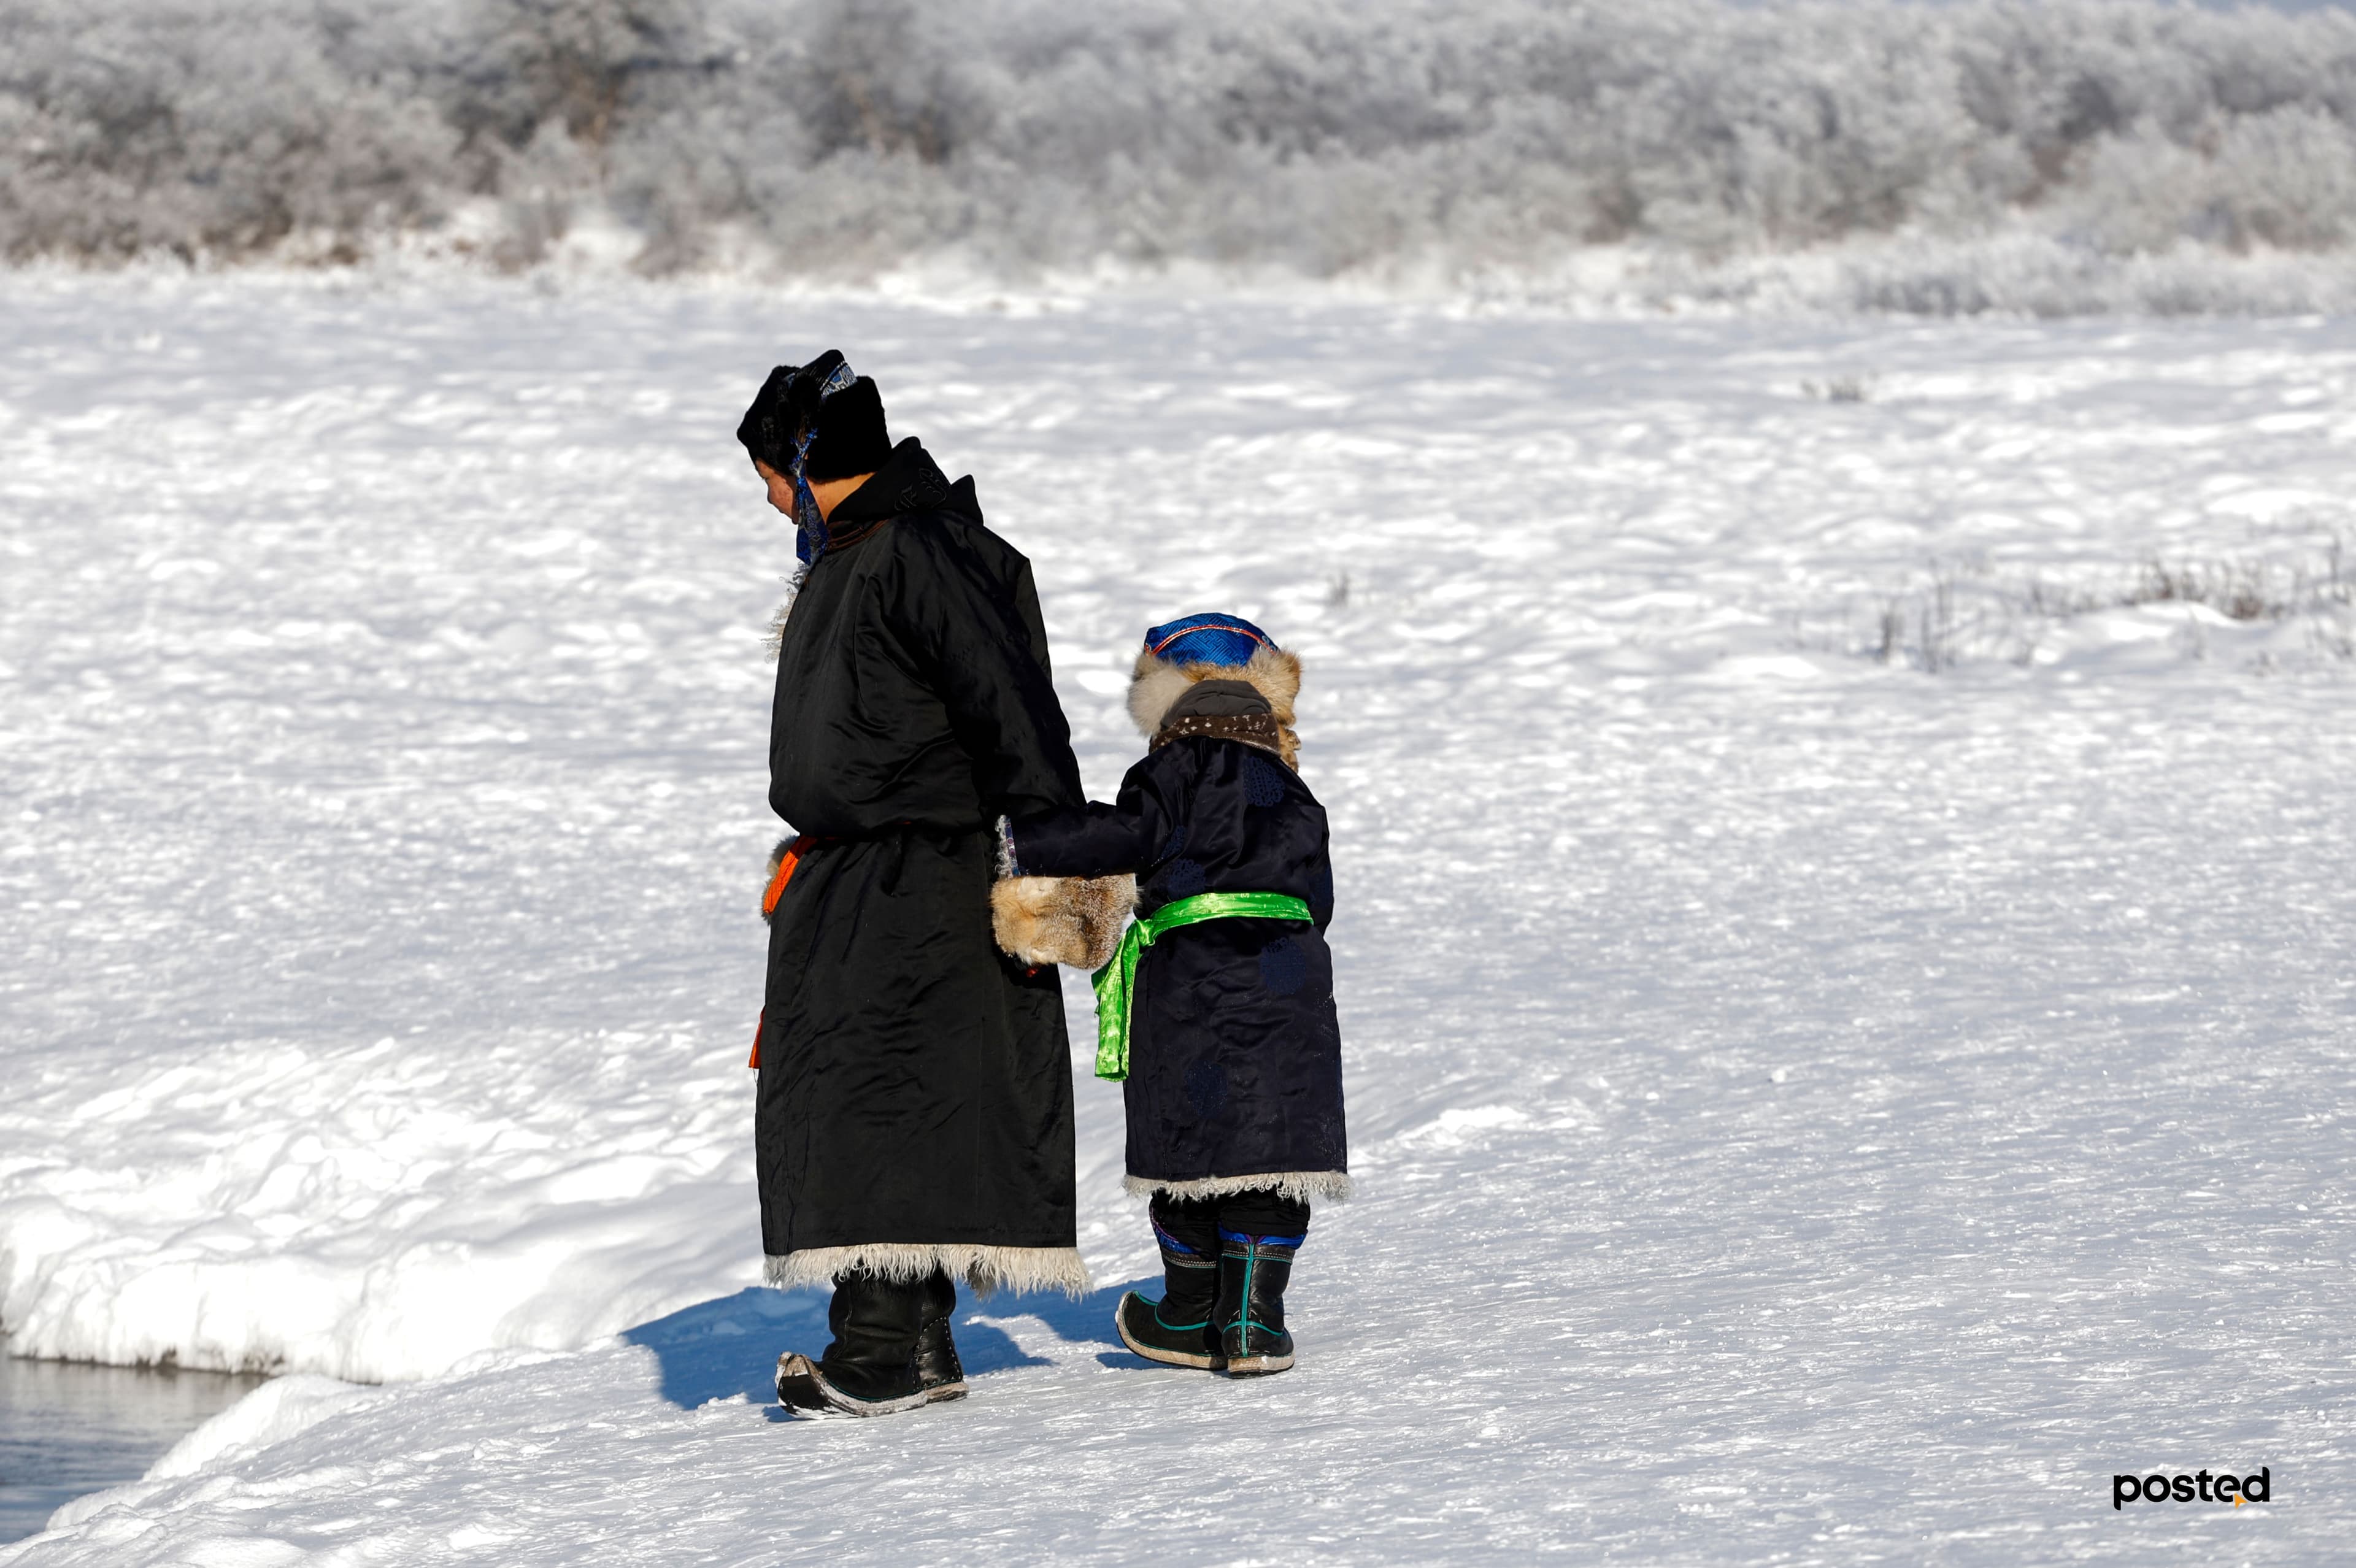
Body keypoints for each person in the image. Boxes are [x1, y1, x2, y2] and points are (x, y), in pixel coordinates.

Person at [739, 351, 1091, 1418]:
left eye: (763, 469)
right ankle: (916, 1341)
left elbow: (1015, 712)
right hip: (862, 875)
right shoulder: (865, 550)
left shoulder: (923, 554)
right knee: (874, 1096)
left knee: (881, 1102)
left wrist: (1056, 873)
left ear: (806, 463)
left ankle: (886, 1345)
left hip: (921, 878)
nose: (759, 495)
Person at [995, 613, 1346, 1376]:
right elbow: (1320, 896)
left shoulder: (1173, 771)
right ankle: (1255, 1320)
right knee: (1272, 1139)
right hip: (1291, 978)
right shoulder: (1292, 788)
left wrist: (1022, 844)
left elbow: (1120, 839)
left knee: (1190, 1136)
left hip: (1189, 975)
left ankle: (1190, 1308)